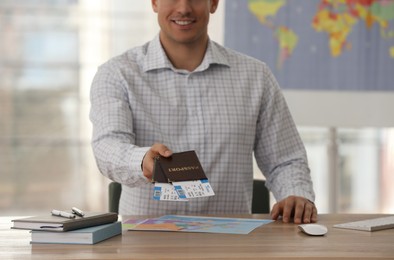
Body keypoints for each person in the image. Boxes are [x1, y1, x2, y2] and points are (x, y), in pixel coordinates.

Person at [90, 0, 317, 224]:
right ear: (154, 2)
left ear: (214, 3)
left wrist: (295, 195)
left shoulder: (256, 76)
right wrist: (141, 161)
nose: (184, 8)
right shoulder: (117, 74)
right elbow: (107, 146)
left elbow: (285, 161)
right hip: (145, 243)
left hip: (232, 245)